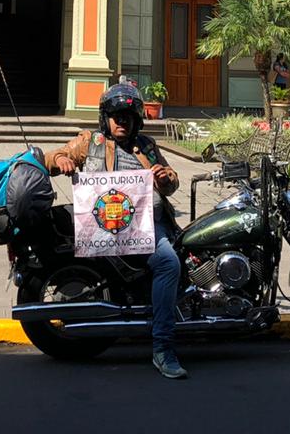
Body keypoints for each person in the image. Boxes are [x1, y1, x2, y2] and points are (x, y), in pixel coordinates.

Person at [45, 82, 187, 380]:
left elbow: (172, 184)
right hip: (108, 229)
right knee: (168, 263)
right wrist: (62, 159)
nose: (122, 121)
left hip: (148, 224)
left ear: (136, 120)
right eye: (116, 116)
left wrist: (164, 177)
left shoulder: (146, 146)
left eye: (128, 117)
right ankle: (163, 348)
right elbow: (53, 156)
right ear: (105, 118)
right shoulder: (91, 142)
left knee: (177, 258)